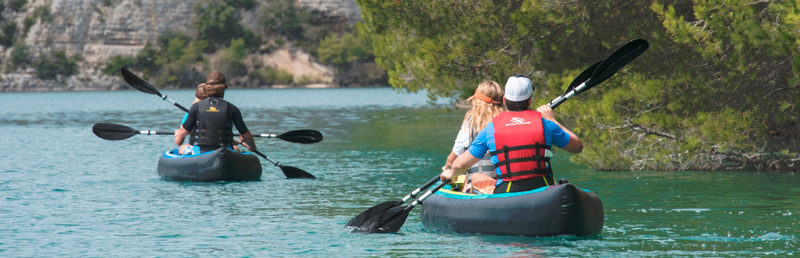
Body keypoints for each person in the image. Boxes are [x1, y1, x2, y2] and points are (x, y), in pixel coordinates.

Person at [441, 75, 583, 194]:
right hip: (541, 188)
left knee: (477, 176)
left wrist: (450, 172)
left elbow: (460, 164)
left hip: (507, 191)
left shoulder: (491, 129)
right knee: (551, 180)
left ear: (505, 100)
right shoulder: (546, 124)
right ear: (530, 100)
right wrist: (552, 119)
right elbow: (577, 147)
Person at [442, 80, 505, 193]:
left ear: (477, 101)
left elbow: (453, 158)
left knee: (468, 179)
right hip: (505, 184)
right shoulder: (507, 121)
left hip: (480, 187)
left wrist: (447, 169)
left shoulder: (470, 123)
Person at [174, 71, 256, 155]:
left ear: (207, 88)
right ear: (224, 88)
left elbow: (181, 137)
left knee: (182, 148)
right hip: (224, 151)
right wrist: (252, 147)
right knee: (235, 149)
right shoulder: (232, 109)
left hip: (200, 152)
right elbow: (246, 135)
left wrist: (178, 134)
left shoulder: (195, 107)